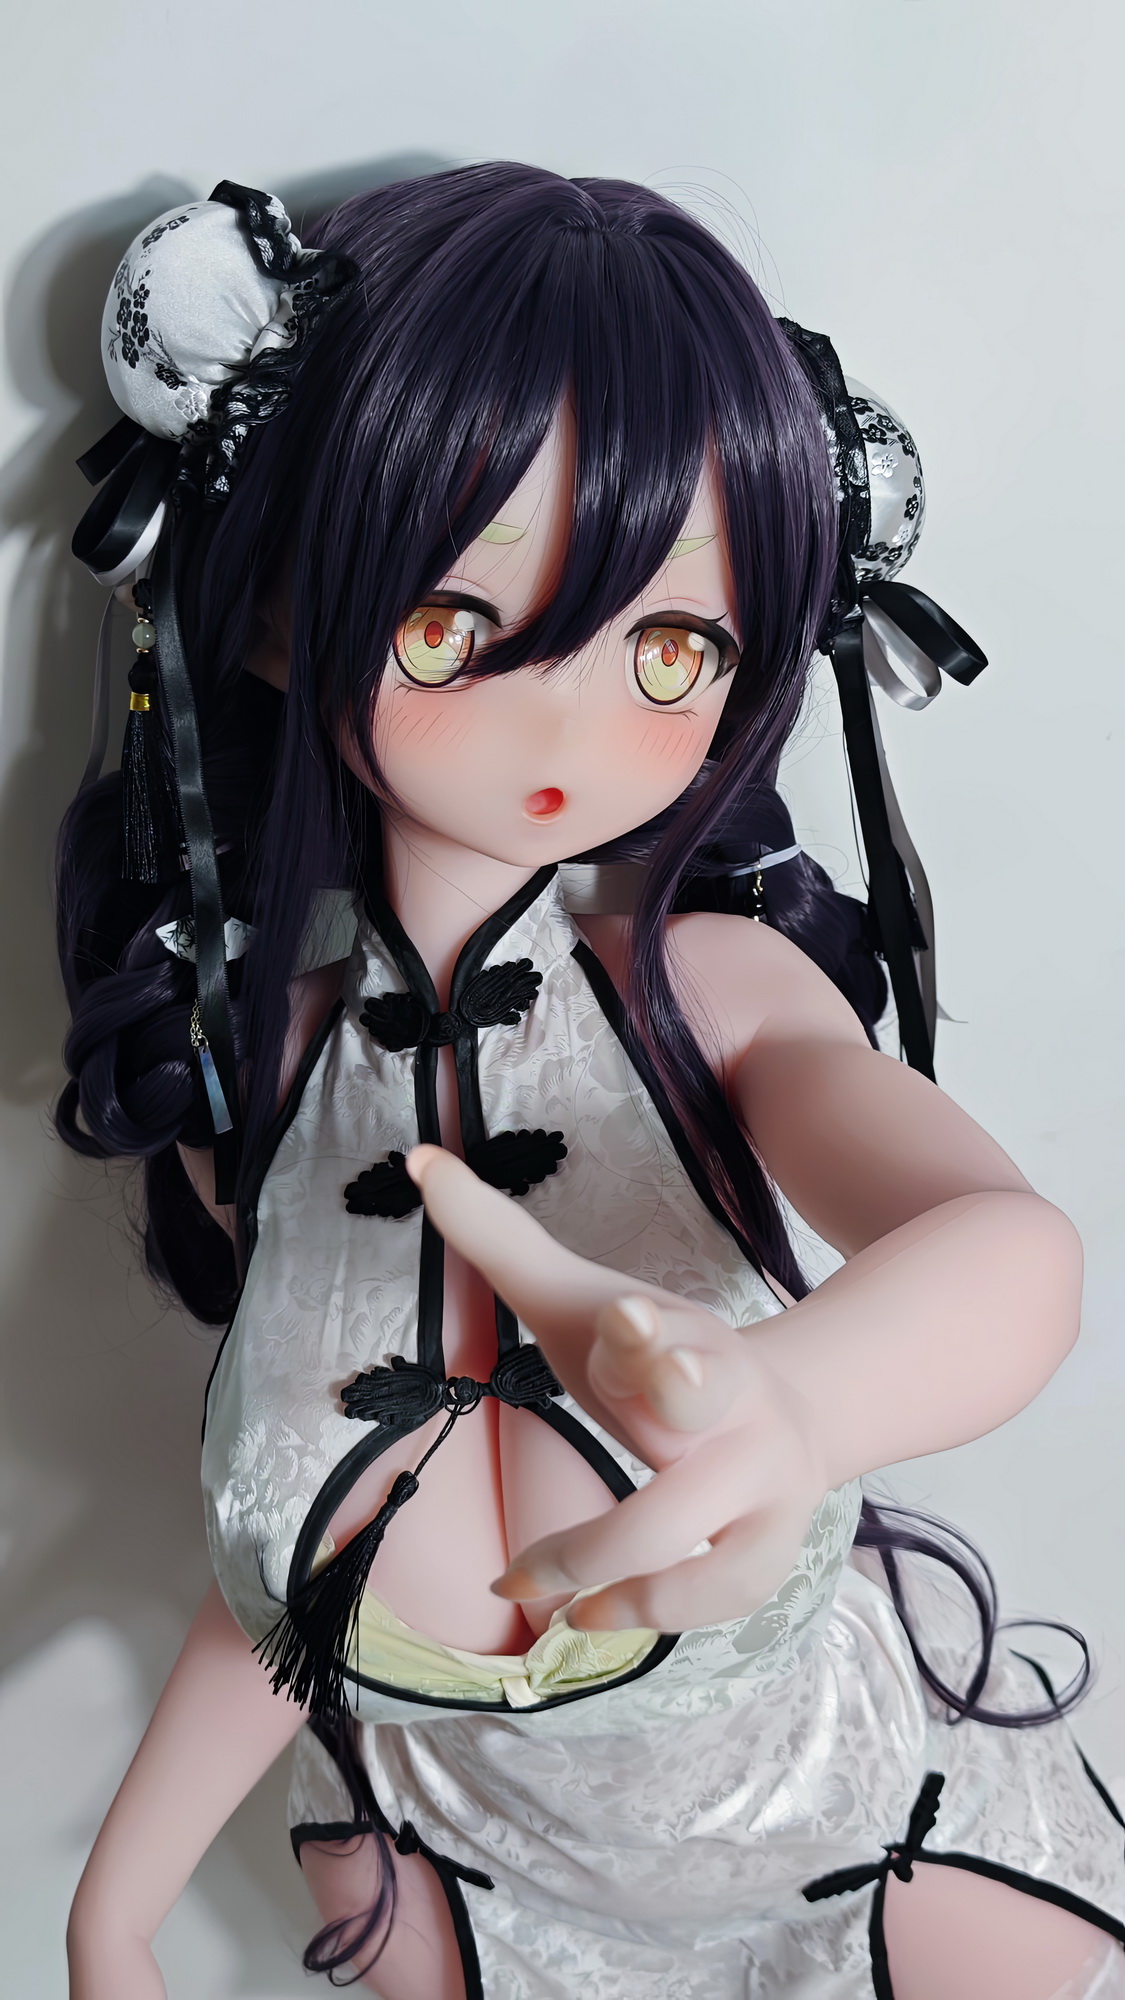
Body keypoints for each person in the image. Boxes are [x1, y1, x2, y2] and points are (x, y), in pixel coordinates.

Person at [59, 164, 1125, 1999]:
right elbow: (288, 1576)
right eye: (453, 627)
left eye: (669, 647)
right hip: (460, 1872)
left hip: (848, 1845)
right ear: (274, 619)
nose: (567, 731)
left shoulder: (701, 994)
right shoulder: (268, 1078)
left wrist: (798, 1403)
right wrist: (114, 1906)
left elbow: (1002, 1249)